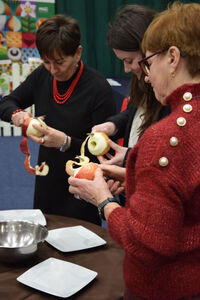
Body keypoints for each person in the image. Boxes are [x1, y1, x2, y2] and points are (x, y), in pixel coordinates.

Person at [68, 2, 200, 299]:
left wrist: (101, 200)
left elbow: (146, 246)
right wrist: (135, 175)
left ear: (173, 57)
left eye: (148, 63)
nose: (146, 76)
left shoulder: (166, 139)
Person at [0, 15, 116, 225]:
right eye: (46, 62)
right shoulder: (42, 77)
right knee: (45, 241)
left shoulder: (98, 89)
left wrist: (65, 142)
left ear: (78, 53)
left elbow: (107, 153)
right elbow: (7, 103)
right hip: (47, 181)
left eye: (60, 62)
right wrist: (18, 116)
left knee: (83, 250)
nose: (53, 70)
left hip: (83, 186)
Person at [92, 4, 170, 168]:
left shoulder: (167, 91)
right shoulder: (142, 79)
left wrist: (128, 157)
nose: (127, 69)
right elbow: (136, 112)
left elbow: (164, 157)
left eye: (129, 61)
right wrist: (112, 125)